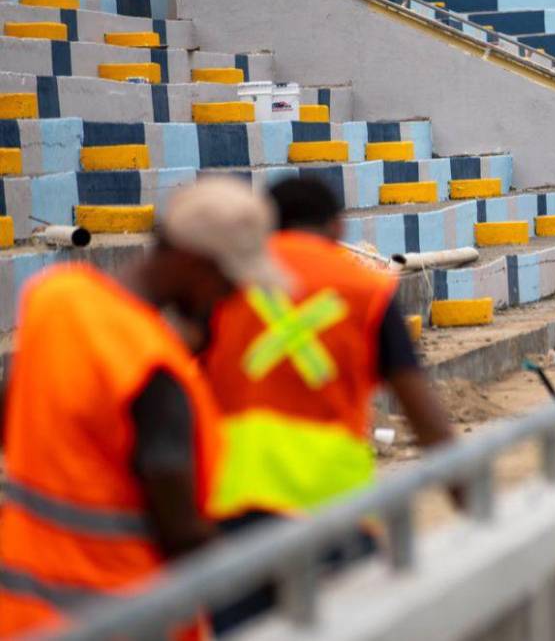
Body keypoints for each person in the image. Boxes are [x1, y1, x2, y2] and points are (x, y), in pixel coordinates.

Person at [0, 177, 281, 637]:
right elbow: (182, 535)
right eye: (229, 280)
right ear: (194, 262)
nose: (233, 296)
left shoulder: (54, 298)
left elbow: (14, 416)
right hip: (129, 618)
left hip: (27, 616)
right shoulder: (153, 369)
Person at [203, 177, 457, 632]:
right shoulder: (366, 290)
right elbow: (424, 415)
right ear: (337, 228)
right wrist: (471, 499)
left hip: (234, 509)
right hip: (331, 511)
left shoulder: (225, 287)